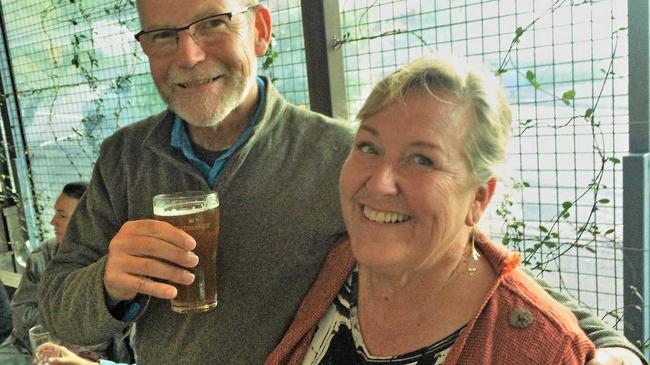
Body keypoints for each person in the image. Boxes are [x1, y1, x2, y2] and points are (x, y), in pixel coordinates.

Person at [37, 0, 645, 364]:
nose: (188, 55)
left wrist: (609, 350)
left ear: (261, 30)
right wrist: (108, 286)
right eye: (162, 35)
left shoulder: (348, 159)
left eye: (212, 23)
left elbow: (486, 276)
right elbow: (57, 312)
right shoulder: (122, 159)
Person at [265, 54, 630, 364]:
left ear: (478, 200)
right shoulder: (337, 265)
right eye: (369, 147)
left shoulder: (541, 350)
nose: (378, 183)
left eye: (422, 159)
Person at [0, 182, 132, 365]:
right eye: (55, 213)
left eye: (62, 216)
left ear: (86, 224)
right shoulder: (43, 256)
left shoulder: (117, 262)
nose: (53, 221)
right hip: (31, 348)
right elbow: (22, 313)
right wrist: (68, 341)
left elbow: (122, 327)